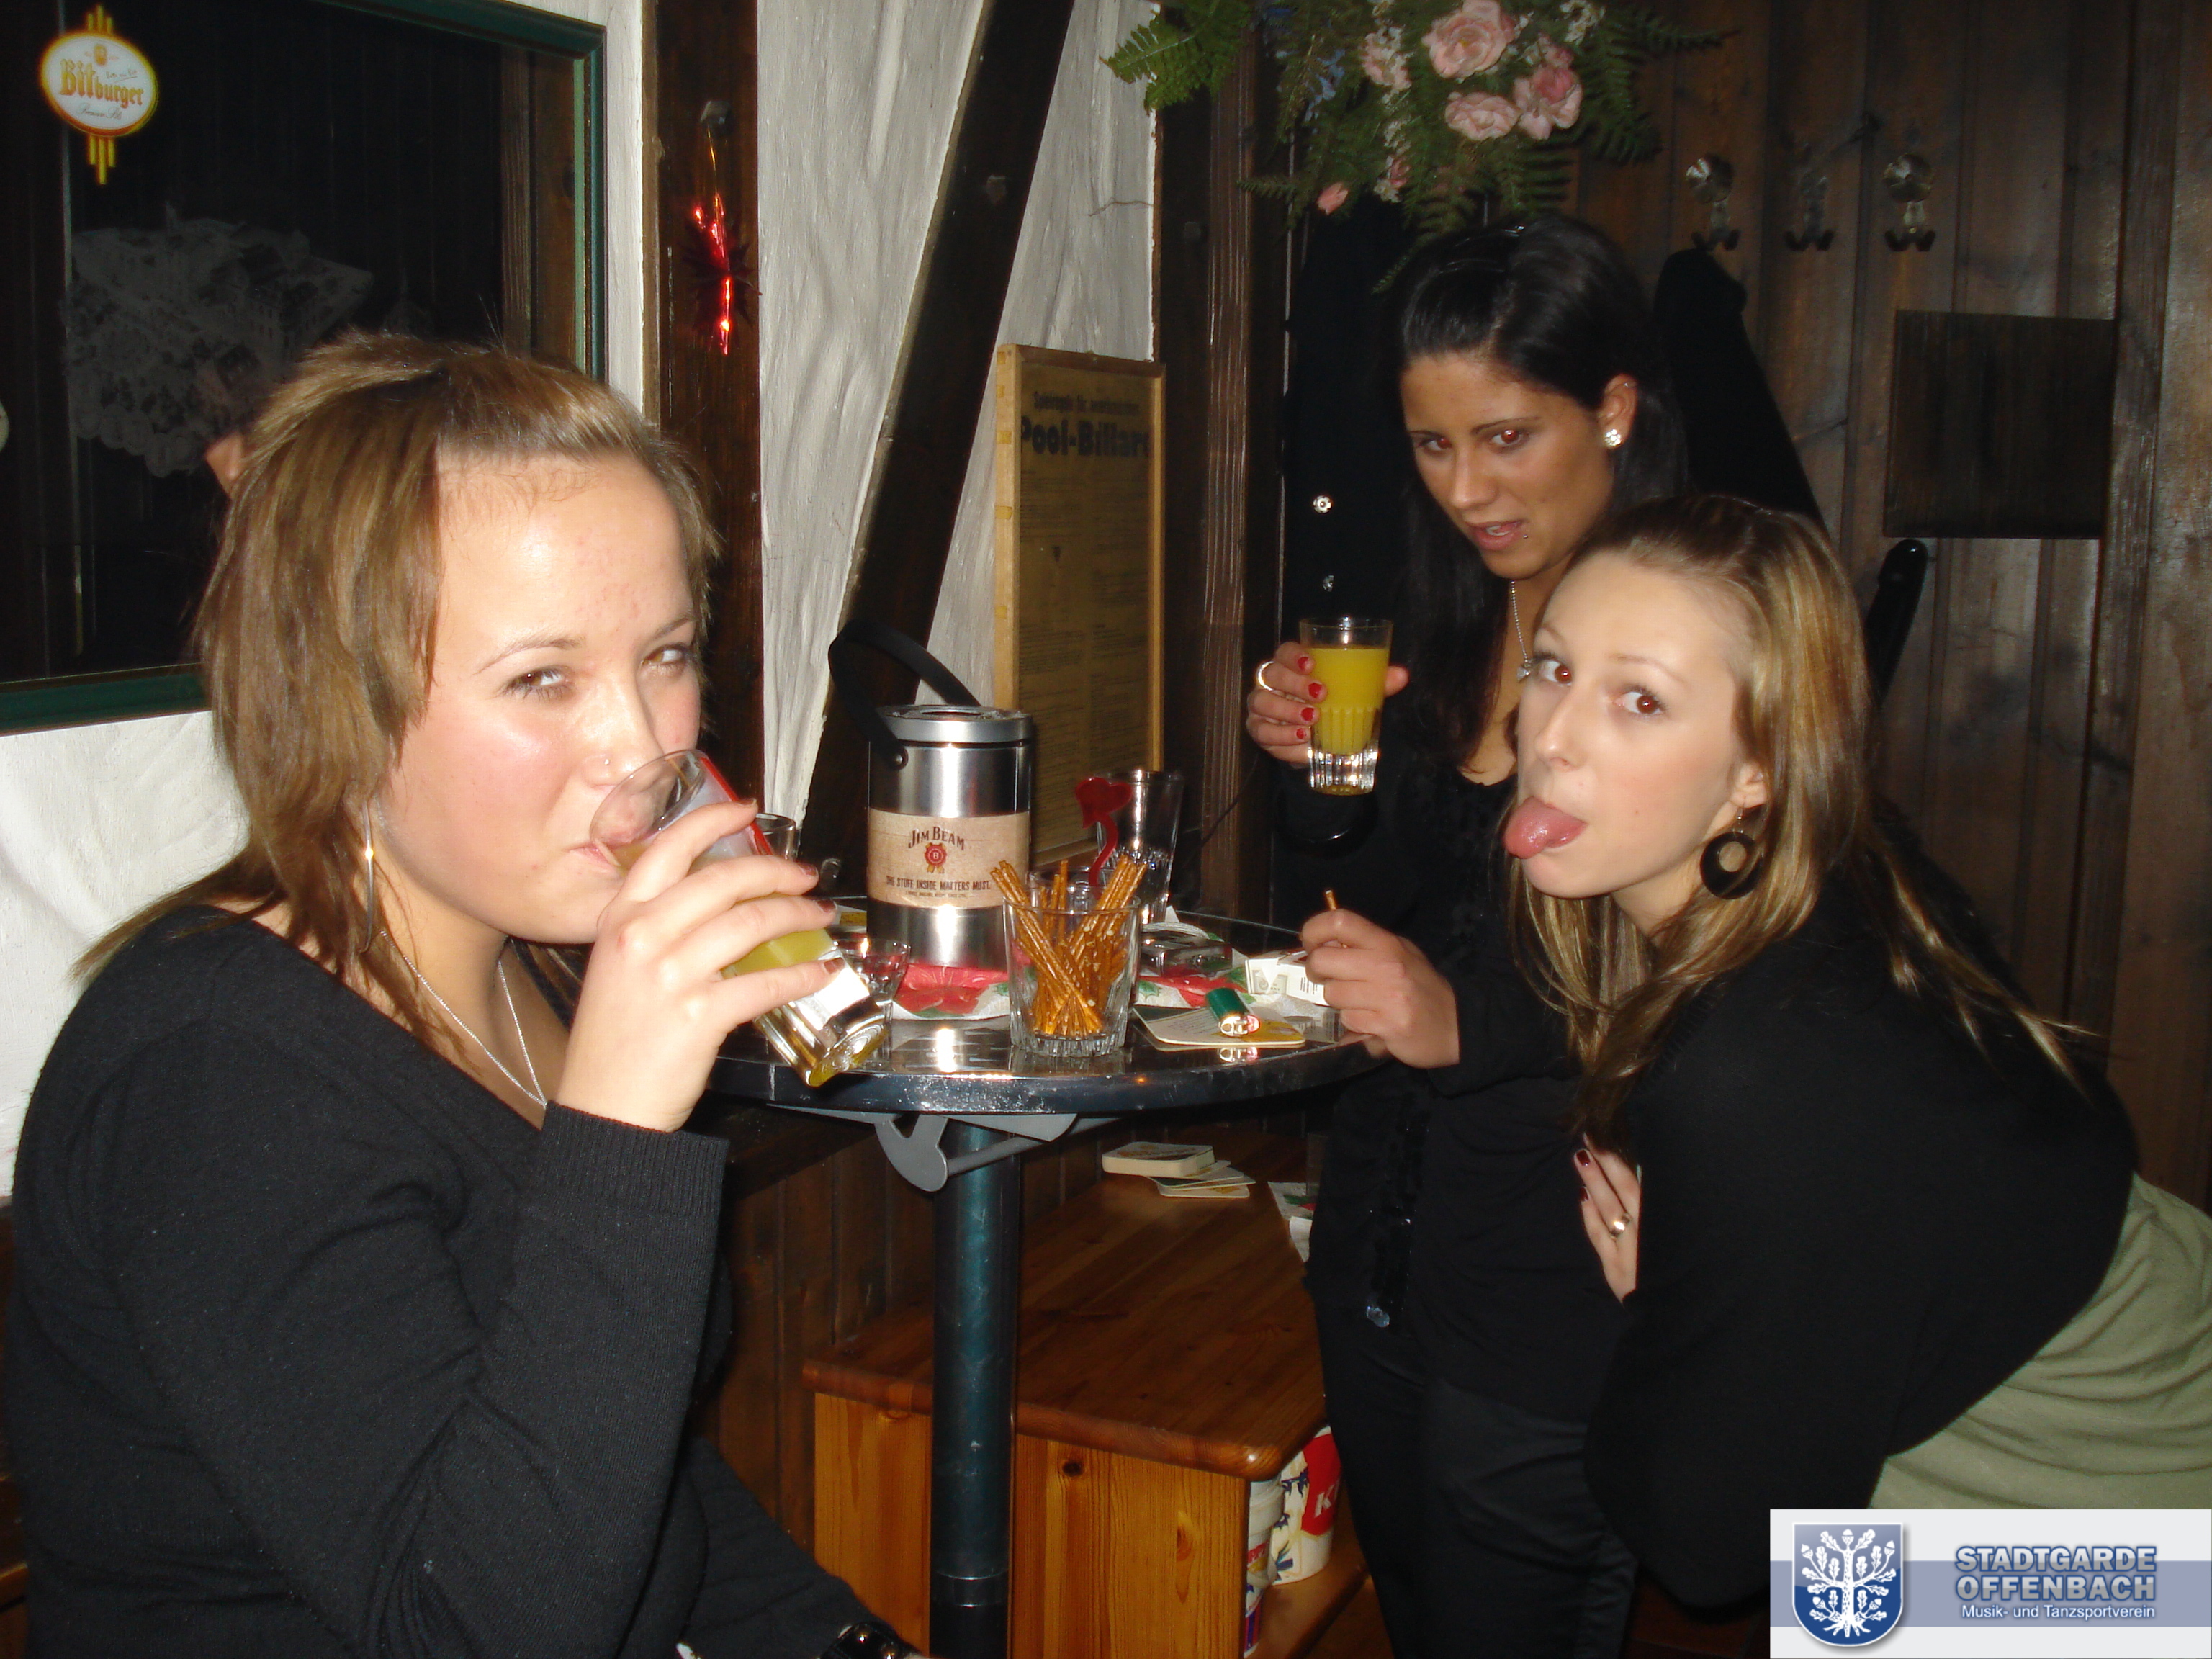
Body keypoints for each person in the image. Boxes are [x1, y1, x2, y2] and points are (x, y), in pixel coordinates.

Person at [6, 336, 922, 1659]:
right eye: (543, 679)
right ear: (335, 699)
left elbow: (628, 1473)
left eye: (666, 654)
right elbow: (474, 1627)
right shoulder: (215, 1077)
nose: (644, 744)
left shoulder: (526, 963)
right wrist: (619, 1133)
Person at [1503, 494, 2212, 1607]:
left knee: (1841, 1604)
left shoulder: (1755, 1061)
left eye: (1640, 700)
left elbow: (1706, 1548)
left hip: (2119, 1503)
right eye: (1553, 668)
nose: (1549, 738)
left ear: (1761, 767)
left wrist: (1663, 1302)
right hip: (2136, 1315)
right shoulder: (1837, 865)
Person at [1244, 216, 1686, 1658]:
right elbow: (1372, 897)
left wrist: (1464, 1022)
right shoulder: (1451, 613)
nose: (1466, 490)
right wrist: (1321, 768)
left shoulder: (1697, 629)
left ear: (1612, 407)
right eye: (1433, 447)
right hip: (1386, 1233)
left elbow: (1726, 954)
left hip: (1560, 1261)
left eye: (1505, 439)